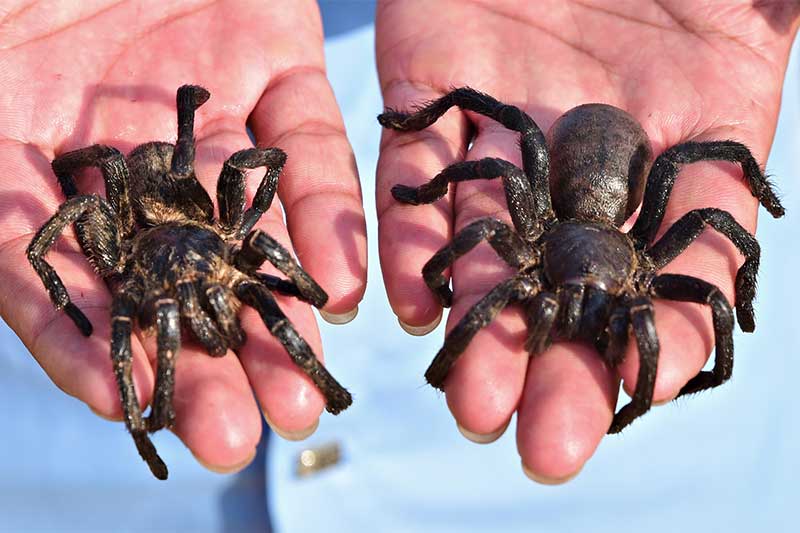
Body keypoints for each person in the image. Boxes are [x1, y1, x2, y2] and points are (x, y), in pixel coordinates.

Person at [0, 1, 797, 530]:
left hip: (685, 488)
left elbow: (726, 212)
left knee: (709, 266)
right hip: (63, 474)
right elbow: (477, 206)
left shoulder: (642, 232)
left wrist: (744, 290)